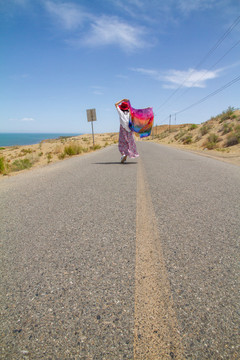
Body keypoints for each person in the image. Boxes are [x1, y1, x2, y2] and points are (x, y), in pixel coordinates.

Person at [115, 98, 139, 163]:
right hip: (130, 130)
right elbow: (137, 114)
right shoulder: (130, 114)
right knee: (130, 143)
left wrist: (122, 100)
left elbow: (116, 104)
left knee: (122, 143)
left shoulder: (120, 113)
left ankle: (123, 155)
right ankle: (125, 157)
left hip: (123, 129)